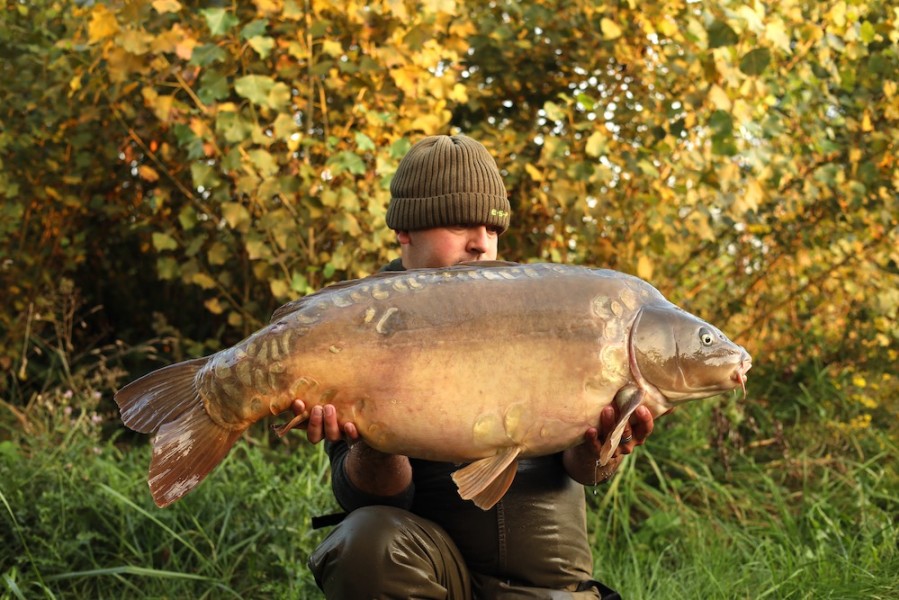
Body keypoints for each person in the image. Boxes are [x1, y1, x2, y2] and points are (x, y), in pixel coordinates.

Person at [291, 134, 654, 599]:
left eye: (493, 228)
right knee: (365, 542)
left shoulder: (545, 306)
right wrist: (375, 440)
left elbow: (584, 471)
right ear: (406, 231)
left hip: (549, 587)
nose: (481, 244)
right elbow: (373, 499)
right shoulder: (357, 324)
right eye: (461, 224)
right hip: (437, 576)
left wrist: (607, 446)